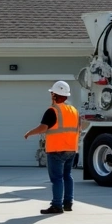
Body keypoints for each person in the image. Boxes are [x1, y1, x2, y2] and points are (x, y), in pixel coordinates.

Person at [25, 80, 80, 215]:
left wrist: (29, 133)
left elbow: (43, 128)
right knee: (67, 176)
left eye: (52, 94)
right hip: (71, 149)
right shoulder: (74, 110)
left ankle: (56, 205)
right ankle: (68, 203)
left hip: (56, 150)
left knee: (57, 178)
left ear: (55, 95)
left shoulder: (52, 111)